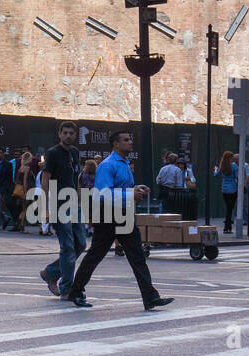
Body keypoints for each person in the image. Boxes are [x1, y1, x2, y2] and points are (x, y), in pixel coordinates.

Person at [65, 129, 173, 311]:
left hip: (124, 214)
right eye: (126, 140)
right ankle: (76, 291)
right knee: (96, 254)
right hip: (108, 215)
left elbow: (121, 189)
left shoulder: (124, 164)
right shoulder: (108, 165)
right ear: (116, 144)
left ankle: (150, 297)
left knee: (137, 255)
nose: (130, 142)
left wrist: (136, 189)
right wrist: (130, 193)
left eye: (130, 139)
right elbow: (103, 193)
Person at [39, 122, 86, 299]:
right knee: (67, 246)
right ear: (59, 134)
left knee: (80, 243)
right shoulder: (52, 153)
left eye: (71, 133)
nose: (68, 136)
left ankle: (51, 272)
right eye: (65, 132)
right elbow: (45, 179)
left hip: (73, 202)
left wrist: (81, 201)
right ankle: (66, 289)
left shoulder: (74, 152)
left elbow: (77, 177)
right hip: (59, 203)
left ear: (74, 135)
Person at [213, 151, 249, 234]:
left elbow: (216, 174)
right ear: (230, 158)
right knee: (230, 208)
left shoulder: (222, 166)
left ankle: (227, 226)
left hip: (224, 189)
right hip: (233, 189)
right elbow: (238, 177)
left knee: (228, 208)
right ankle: (227, 227)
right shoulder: (234, 166)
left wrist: (215, 169)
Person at [13, 151, 33, 232]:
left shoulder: (21, 167)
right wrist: (26, 192)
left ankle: (20, 224)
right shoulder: (27, 168)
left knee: (23, 208)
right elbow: (25, 180)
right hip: (24, 190)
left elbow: (18, 180)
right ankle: (22, 226)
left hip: (18, 189)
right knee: (25, 209)